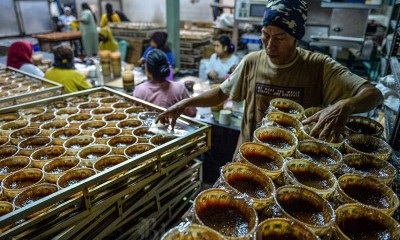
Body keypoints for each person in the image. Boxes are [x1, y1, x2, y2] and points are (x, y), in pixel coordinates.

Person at [157, 0, 383, 152]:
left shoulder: (319, 67)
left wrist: (346, 105)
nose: (270, 45)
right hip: (248, 156)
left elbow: (373, 95)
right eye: (266, 35)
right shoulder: (252, 61)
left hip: (293, 165)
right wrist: (185, 102)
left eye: (280, 38)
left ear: (296, 38)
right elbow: (221, 93)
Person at [134, 49, 196, 117]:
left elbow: (136, 115)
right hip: (175, 127)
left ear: (148, 72)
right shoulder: (179, 88)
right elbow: (192, 113)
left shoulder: (139, 90)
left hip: (148, 127)